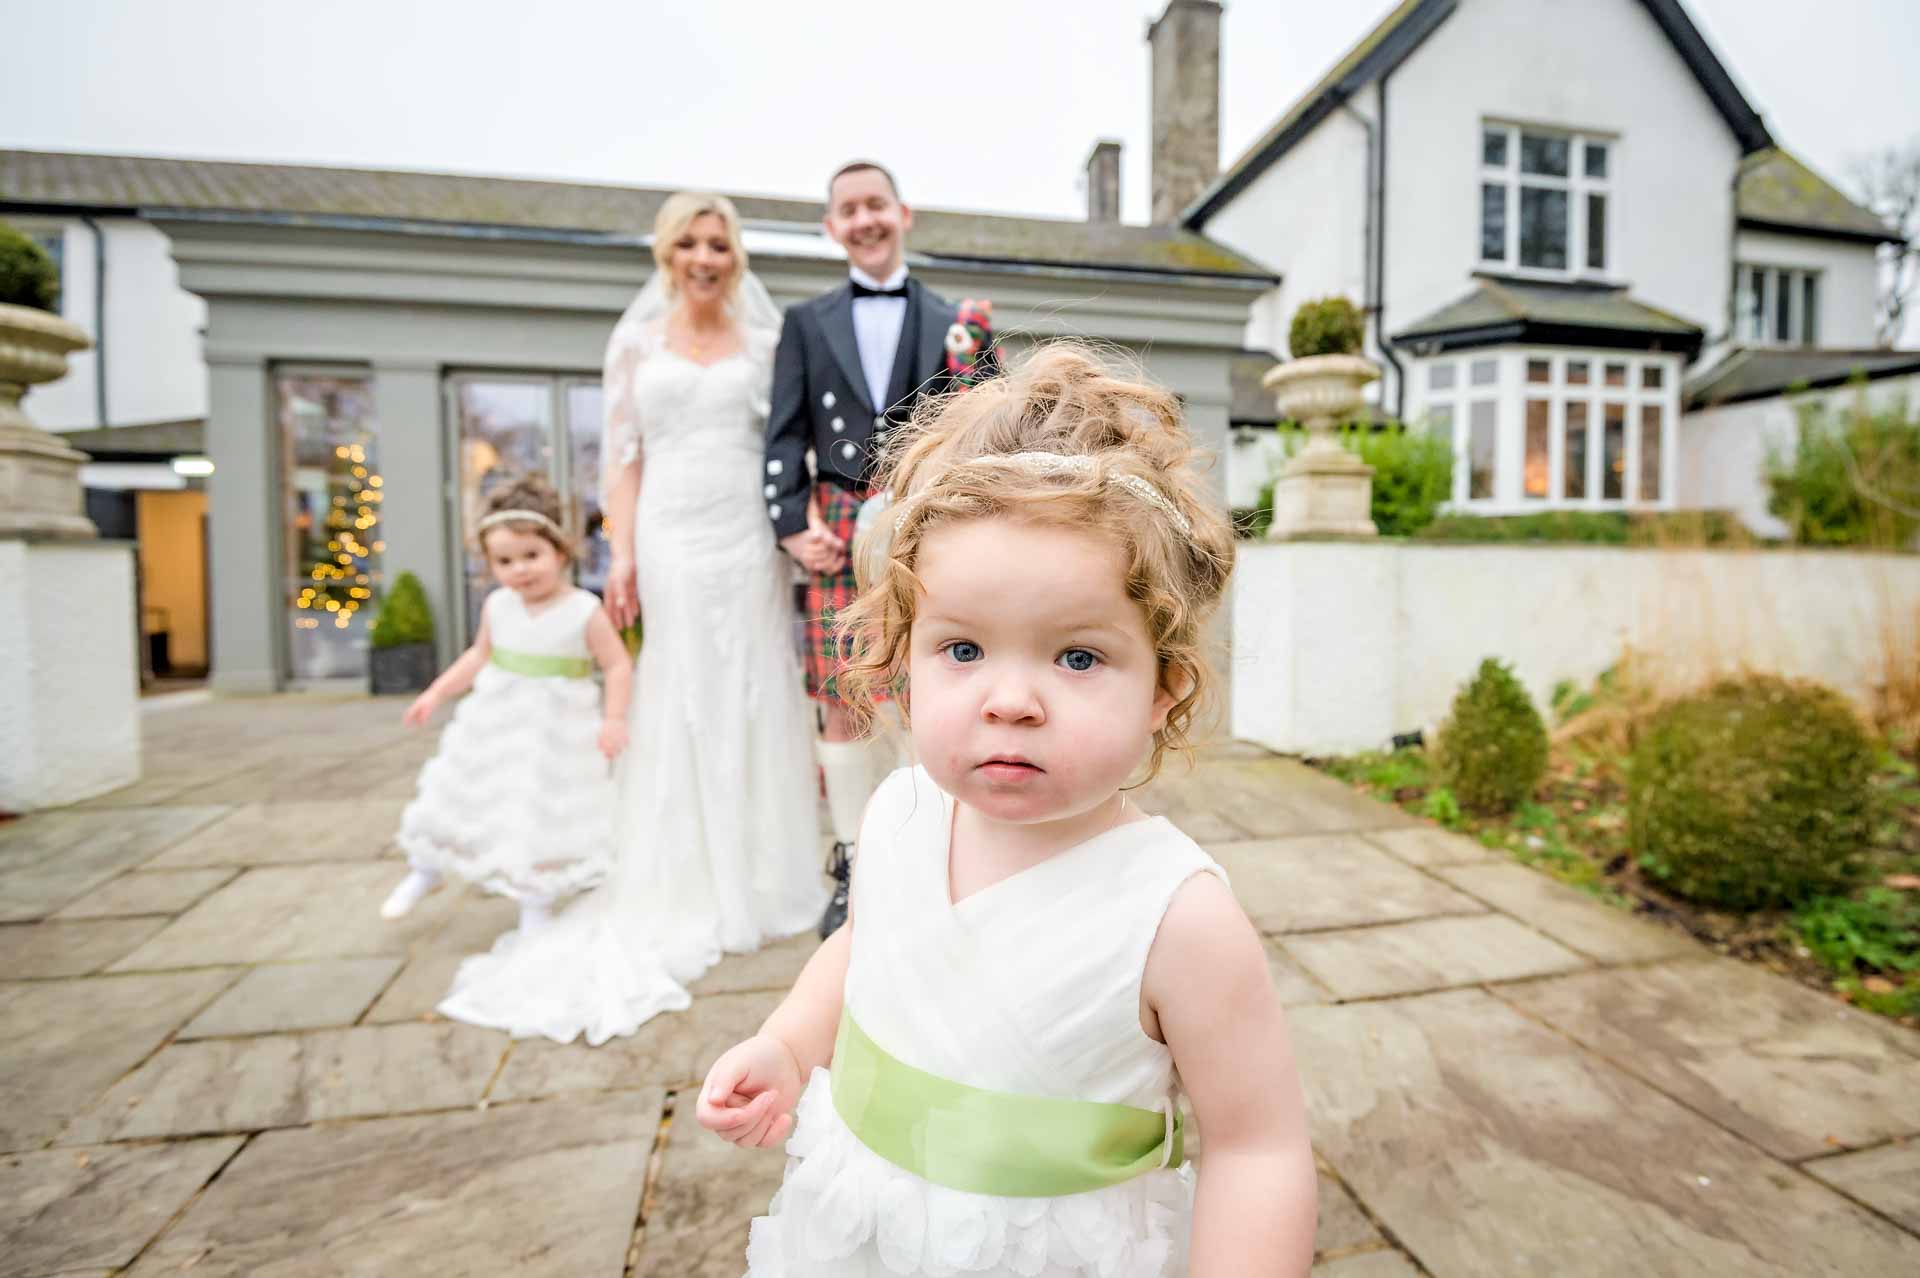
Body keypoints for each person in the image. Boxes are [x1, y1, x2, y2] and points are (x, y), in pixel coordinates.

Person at [701, 346, 1318, 1276]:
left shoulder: (1179, 917)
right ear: (902, 658)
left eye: (1076, 657)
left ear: (1164, 689)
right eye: (962, 650)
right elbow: (864, 947)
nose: (1010, 701)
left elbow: (1256, 1148)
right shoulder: (898, 808)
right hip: (858, 1219)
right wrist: (789, 1045)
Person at [434, 193, 827, 1045]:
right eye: (688, 241)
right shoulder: (634, 343)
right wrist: (623, 554)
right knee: (679, 684)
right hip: (669, 533)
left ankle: (761, 872)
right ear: (665, 253)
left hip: (744, 535)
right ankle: (685, 870)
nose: (704, 256)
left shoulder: (766, 343)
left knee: (755, 681)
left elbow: (785, 447)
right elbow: (622, 455)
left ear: (736, 256)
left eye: (718, 242)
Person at [764, 159, 996, 937]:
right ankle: (852, 861)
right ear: (831, 227)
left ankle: (930, 851)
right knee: (841, 700)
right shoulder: (806, 321)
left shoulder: (957, 320)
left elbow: (987, 426)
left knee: (930, 689)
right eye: (847, 209)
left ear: (904, 214)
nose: (863, 220)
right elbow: (785, 433)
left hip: (928, 526)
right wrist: (793, 522)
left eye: (876, 205)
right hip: (837, 517)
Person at [382, 476, 629, 937]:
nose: (520, 570)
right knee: (460, 795)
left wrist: (614, 719)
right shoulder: (498, 605)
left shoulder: (583, 609)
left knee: (539, 812)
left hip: (556, 733)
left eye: (531, 556)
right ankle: (427, 867)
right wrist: (437, 692)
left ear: (559, 551)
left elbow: (616, 665)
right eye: (505, 561)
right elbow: (478, 655)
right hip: (496, 725)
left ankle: (535, 898)